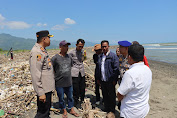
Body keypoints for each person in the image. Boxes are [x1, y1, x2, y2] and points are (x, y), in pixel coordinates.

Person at [117, 44, 152, 118]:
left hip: (130, 112)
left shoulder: (130, 73)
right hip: (143, 110)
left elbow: (120, 94)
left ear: (129, 57)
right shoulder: (147, 70)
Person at [29, 30, 55, 118]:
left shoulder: (42, 50)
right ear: (44, 39)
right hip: (43, 90)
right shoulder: (37, 52)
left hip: (47, 88)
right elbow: (35, 74)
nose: (50, 40)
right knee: (42, 114)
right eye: (49, 38)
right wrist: (40, 92)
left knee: (46, 112)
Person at [51, 40, 79, 118]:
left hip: (69, 82)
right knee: (61, 98)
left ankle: (71, 109)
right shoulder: (55, 58)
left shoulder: (69, 57)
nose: (66, 48)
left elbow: (70, 66)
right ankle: (64, 110)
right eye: (64, 46)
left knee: (70, 97)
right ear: (60, 47)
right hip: (59, 83)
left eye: (67, 46)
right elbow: (51, 69)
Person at [97, 40, 119, 114]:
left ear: (108, 47)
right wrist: (98, 78)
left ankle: (112, 110)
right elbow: (98, 68)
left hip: (110, 80)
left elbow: (116, 69)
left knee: (112, 96)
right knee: (104, 94)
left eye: (105, 46)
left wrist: (114, 80)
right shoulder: (100, 56)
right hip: (103, 80)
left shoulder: (113, 56)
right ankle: (106, 108)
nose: (104, 48)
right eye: (103, 47)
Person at [68, 39, 86, 107]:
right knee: (75, 88)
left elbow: (83, 59)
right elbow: (69, 62)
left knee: (82, 86)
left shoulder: (83, 51)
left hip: (81, 72)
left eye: (82, 46)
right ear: (76, 45)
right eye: (79, 46)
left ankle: (82, 100)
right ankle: (75, 101)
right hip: (74, 72)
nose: (81, 48)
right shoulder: (71, 52)